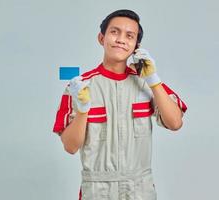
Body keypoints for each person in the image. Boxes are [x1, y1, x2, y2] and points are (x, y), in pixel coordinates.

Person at [52, 9, 187, 200]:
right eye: (114, 32)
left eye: (129, 36)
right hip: (97, 189)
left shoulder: (147, 82)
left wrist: (153, 80)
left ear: (136, 46)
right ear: (101, 38)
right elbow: (70, 147)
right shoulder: (79, 87)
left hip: (140, 188)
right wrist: (83, 111)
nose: (121, 39)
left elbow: (175, 123)